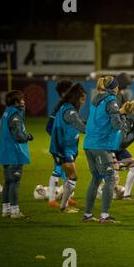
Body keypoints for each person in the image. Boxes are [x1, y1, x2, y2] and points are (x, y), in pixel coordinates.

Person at [82, 76, 128, 223]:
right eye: (117, 86)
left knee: (95, 179)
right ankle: (104, 215)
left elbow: (103, 118)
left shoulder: (97, 98)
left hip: (89, 143)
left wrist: (119, 114)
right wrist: (124, 122)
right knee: (110, 178)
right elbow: (115, 124)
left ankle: (88, 215)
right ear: (114, 88)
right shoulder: (111, 100)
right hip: (100, 145)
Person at [49, 83, 87, 213]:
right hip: (63, 148)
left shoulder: (68, 108)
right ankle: (62, 205)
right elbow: (82, 127)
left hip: (67, 147)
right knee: (73, 176)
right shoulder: (70, 111)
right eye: (82, 99)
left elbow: (82, 122)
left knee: (69, 176)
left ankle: (64, 204)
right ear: (77, 98)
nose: (83, 102)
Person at [0, 90, 34, 218]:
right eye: (22, 99)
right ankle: (14, 211)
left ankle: (6, 210)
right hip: (14, 153)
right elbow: (18, 135)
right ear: (15, 102)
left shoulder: (7, 112)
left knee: (8, 182)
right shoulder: (15, 116)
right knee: (15, 182)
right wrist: (27, 136)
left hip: (5, 152)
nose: (24, 101)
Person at [46, 79, 74, 207]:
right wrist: (58, 139)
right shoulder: (59, 107)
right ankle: (52, 199)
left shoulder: (69, 105)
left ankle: (67, 198)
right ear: (64, 93)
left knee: (67, 171)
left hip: (68, 144)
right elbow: (49, 126)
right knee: (57, 170)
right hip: (60, 144)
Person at [113, 100, 134, 199]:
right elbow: (121, 141)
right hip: (111, 148)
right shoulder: (125, 121)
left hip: (119, 149)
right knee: (112, 172)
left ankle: (127, 195)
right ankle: (101, 192)